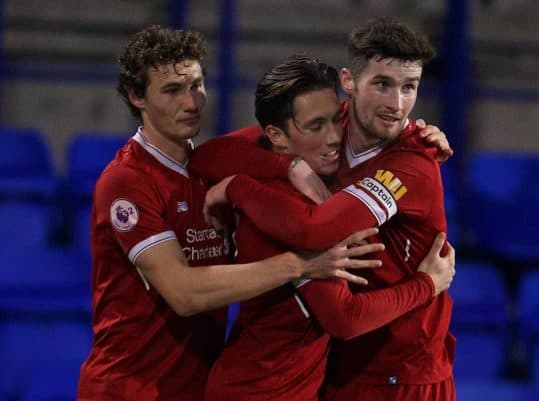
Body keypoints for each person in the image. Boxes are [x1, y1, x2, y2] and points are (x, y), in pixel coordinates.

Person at [76, 25, 387, 401]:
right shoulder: (126, 182)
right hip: (128, 391)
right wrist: (301, 265)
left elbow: (281, 132)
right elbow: (183, 293)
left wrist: (415, 137)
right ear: (136, 96)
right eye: (172, 91)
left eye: (196, 84)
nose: (191, 102)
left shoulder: (206, 166)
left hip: (195, 387)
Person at [195, 17, 456, 401]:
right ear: (349, 82)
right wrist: (289, 165)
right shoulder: (329, 127)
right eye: (382, 84)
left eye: (409, 87)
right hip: (337, 369)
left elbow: (318, 231)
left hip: (404, 376)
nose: (396, 104)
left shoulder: (413, 163)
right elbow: (207, 155)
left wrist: (236, 187)